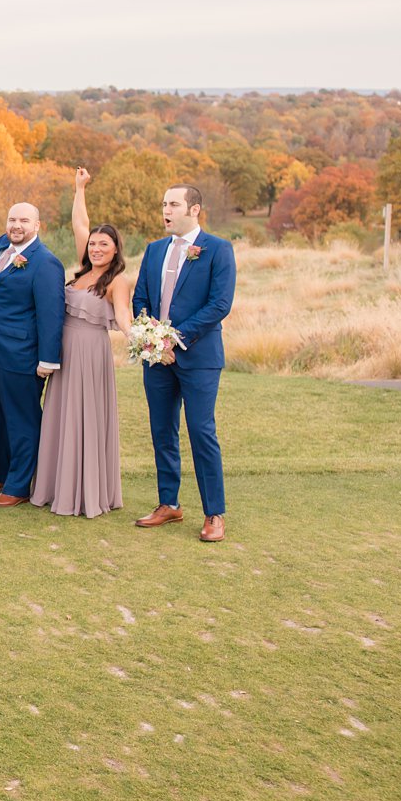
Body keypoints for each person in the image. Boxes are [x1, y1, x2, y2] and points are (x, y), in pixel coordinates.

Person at [132, 184, 236, 542]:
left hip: (199, 358)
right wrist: (152, 340)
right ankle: (168, 504)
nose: (166, 210)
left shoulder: (218, 249)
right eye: (163, 204)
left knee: (201, 432)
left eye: (173, 204)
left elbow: (220, 304)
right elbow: (140, 298)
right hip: (156, 359)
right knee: (162, 430)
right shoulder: (153, 250)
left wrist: (173, 338)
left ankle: (214, 514)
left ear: (194, 210)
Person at [30, 169, 134, 518]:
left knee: (85, 416)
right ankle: (57, 485)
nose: (97, 247)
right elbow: (80, 224)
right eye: (93, 243)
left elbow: (122, 317)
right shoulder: (81, 269)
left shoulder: (117, 280)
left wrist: (142, 342)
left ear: (116, 247)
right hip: (64, 350)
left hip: (91, 353)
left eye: (104, 243)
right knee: (61, 415)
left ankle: (86, 490)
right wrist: (78, 188)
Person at [0, 186, 66, 507]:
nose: (16, 225)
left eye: (24, 220)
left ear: (37, 226)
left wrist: (48, 360)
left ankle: (19, 486)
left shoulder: (46, 263)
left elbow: (51, 315)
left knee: (21, 422)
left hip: (21, 358)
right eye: (12, 219)